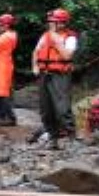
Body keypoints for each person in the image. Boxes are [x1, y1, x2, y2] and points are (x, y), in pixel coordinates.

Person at [32, 8, 78, 147]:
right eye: (51, 21)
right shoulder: (45, 35)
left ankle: (70, 134)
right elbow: (36, 52)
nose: (51, 24)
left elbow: (67, 56)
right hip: (44, 73)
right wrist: (35, 66)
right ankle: (52, 136)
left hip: (60, 75)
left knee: (62, 107)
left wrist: (56, 40)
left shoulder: (70, 37)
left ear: (62, 23)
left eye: (54, 22)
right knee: (45, 108)